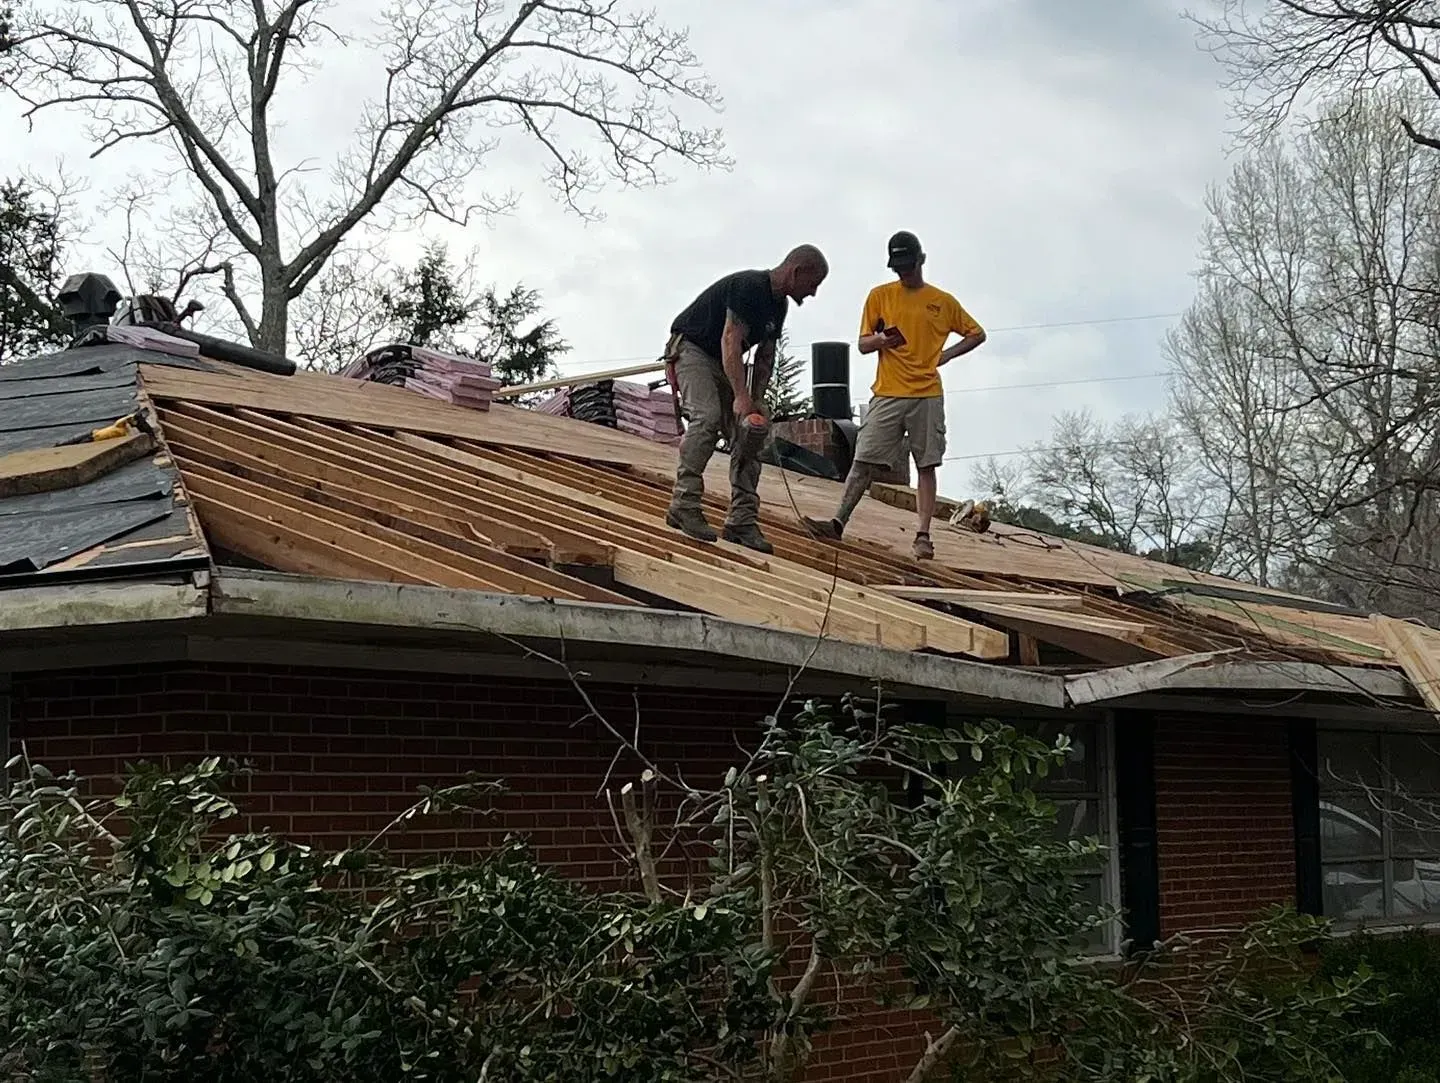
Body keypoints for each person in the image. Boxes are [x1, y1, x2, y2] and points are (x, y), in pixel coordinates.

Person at [803, 231, 985, 559]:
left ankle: (923, 536)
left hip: (926, 394)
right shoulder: (880, 296)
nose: (903, 273)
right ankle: (837, 523)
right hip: (887, 393)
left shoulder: (943, 302)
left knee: (926, 464)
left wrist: (945, 356)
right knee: (862, 460)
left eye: (908, 266)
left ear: (921, 261)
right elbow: (861, 344)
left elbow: (977, 334)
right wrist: (882, 341)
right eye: (898, 268)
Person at [664, 245, 830, 553]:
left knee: (750, 432)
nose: (813, 293)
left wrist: (755, 402)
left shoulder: (779, 306)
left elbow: (765, 357)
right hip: (693, 351)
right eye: (813, 283)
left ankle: (741, 521)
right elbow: (731, 340)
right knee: (708, 417)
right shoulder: (749, 287)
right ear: (796, 272)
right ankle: (683, 504)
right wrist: (740, 396)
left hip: (724, 363)